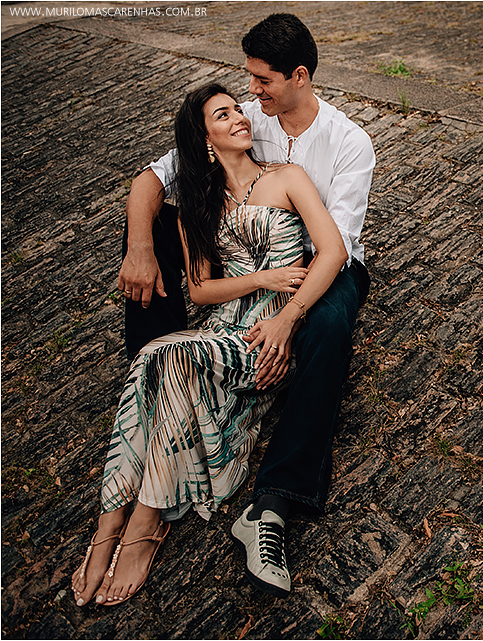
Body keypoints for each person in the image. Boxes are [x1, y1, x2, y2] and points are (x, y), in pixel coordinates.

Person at [114, 13, 374, 598]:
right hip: (245, 260)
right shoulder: (247, 116)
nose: (251, 92)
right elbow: (154, 177)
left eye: (262, 81)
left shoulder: (349, 142)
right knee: (156, 234)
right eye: (249, 81)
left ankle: (272, 505)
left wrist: (284, 317)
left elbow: (334, 249)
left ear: (298, 77)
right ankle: (152, 377)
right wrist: (140, 248)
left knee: (328, 327)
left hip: (318, 259)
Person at [70, 82, 348, 606]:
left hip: (265, 335)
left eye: (237, 112)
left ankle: (141, 521)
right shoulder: (202, 206)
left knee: (161, 354)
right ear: (204, 142)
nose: (241, 119)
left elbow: (332, 250)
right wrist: (261, 279)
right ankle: (113, 521)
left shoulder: (287, 178)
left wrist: (286, 312)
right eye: (224, 116)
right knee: (166, 359)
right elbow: (200, 289)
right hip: (224, 323)